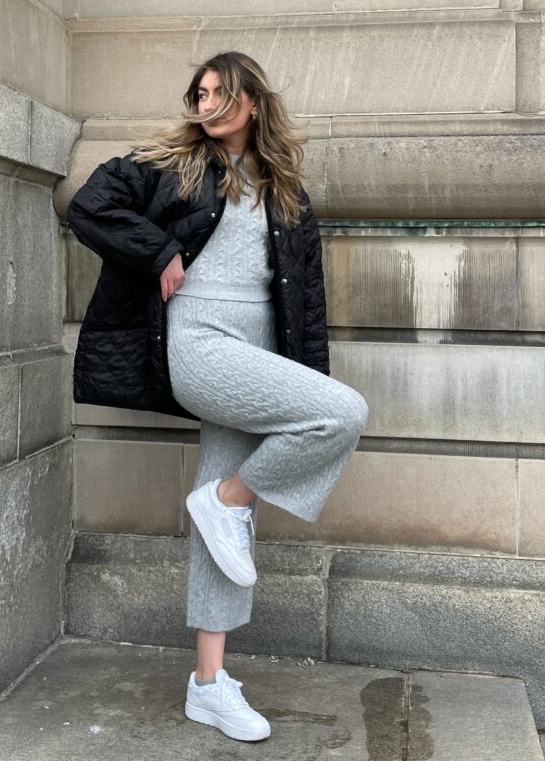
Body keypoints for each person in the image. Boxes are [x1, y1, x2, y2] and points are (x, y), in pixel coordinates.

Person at [66, 50, 369, 743]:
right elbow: (91, 204)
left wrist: (307, 367)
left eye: (220, 94)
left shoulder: (285, 187)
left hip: (258, 352)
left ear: (252, 101)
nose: (206, 106)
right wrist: (158, 253)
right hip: (198, 344)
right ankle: (230, 500)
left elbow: (309, 301)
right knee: (341, 412)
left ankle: (209, 684)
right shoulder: (174, 165)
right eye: (198, 94)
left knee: (220, 522)